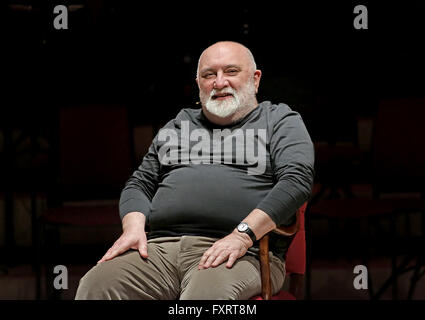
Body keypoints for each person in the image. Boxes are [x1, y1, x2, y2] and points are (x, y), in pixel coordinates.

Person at [75, 41, 314, 300]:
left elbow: (297, 181)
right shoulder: (179, 125)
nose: (219, 82)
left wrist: (242, 235)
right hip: (158, 251)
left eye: (231, 72)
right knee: (96, 284)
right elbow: (140, 183)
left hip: (243, 253)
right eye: (209, 75)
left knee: (204, 296)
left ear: (255, 79)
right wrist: (133, 228)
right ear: (198, 83)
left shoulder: (278, 120)